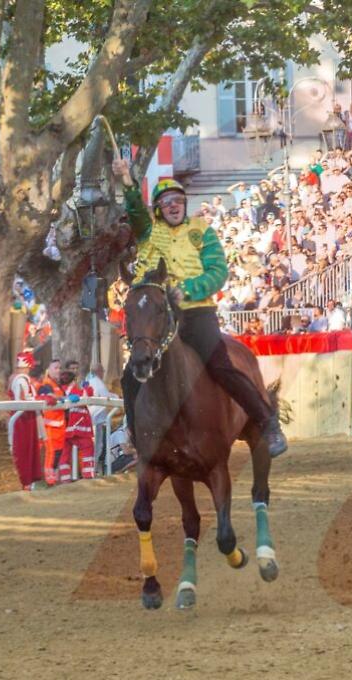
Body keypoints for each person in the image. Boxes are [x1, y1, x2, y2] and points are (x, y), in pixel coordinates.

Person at [112, 158, 288, 457]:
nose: (173, 205)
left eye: (178, 200)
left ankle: (267, 422)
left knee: (221, 365)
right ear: (158, 208)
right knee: (131, 373)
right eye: (166, 201)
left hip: (196, 313)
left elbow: (218, 271)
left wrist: (189, 289)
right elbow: (135, 211)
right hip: (158, 316)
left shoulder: (202, 230)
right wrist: (127, 180)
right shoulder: (148, 232)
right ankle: (136, 434)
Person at [8, 352, 42, 490]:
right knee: (23, 451)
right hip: (23, 420)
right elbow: (21, 400)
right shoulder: (21, 380)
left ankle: (27, 484)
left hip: (25, 419)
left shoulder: (18, 379)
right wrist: (41, 399)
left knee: (26, 450)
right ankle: (24, 484)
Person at [60, 370, 95, 482]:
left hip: (63, 428)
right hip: (79, 427)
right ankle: (88, 475)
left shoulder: (59, 391)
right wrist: (88, 388)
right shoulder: (77, 390)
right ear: (74, 380)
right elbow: (87, 396)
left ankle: (65, 479)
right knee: (87, 448)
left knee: (64, 454)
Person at [36, 359, 67, 485]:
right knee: (51, 453)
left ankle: (53, 478)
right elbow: (49, 396)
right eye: (56, 368)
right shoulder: (46, 384)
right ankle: (49, 480)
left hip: (59, 425)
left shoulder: (57, 384)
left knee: (57, 453)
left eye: (59, 368)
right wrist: (64, 398)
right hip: (49, 426)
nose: (58, 370)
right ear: (49, 370)